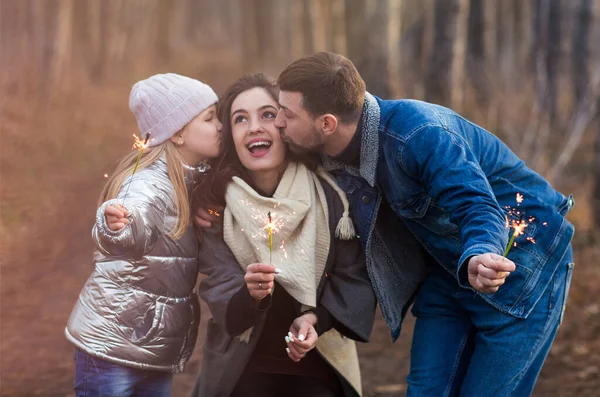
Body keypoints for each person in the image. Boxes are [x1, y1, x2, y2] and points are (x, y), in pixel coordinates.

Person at [269, 52, 575, 397]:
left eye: (286, 114)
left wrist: (482, 253)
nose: (277, 122)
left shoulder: (419, 134)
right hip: (447, 270)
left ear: (327, 123)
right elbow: (254, 159)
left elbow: (476, 204)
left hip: (520, 266)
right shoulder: (323, 147)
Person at [191, 73, 376, 397]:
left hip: (319, 364)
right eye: (240, 119)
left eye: (267, 114)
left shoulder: (332, 197)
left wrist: (316, 320)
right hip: (242, 367)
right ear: (230, 137)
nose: (254, 127)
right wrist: (251, 295)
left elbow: (353, 275)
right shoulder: (215, 206)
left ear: (287, 124)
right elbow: (220, 289)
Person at [65, 73, 222, 397]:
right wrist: (118, 225)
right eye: (209, 118)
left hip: (151, 347)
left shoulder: (193, 181)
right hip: (112, 346)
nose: (219, 126)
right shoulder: (150, 182)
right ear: (177, 134)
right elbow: (134, 221)